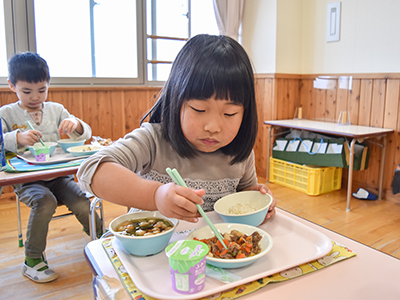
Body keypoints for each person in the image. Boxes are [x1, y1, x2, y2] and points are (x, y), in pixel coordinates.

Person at [78, 34, 276, 224]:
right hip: (153, 252)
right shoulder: (153, 141)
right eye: (199, 109)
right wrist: (156, 196)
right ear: (176, 101)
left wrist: (256, 198)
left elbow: (242, 193)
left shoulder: (239, 154)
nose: (213, 127)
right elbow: (91, 170)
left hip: (210, 255)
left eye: (230, 113)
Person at [0, 52, 102, 283]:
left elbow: (85, 134)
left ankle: (102, 239)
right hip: (28, 179)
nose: (35, 97)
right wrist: (16, 138)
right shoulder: (6, 114)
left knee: (81, 201)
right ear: (11, 86)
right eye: (26, 91)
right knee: (45, 201)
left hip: (59, 175)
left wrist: (75, 124)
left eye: (42, 90)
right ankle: (32, 259)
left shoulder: (56, 110)